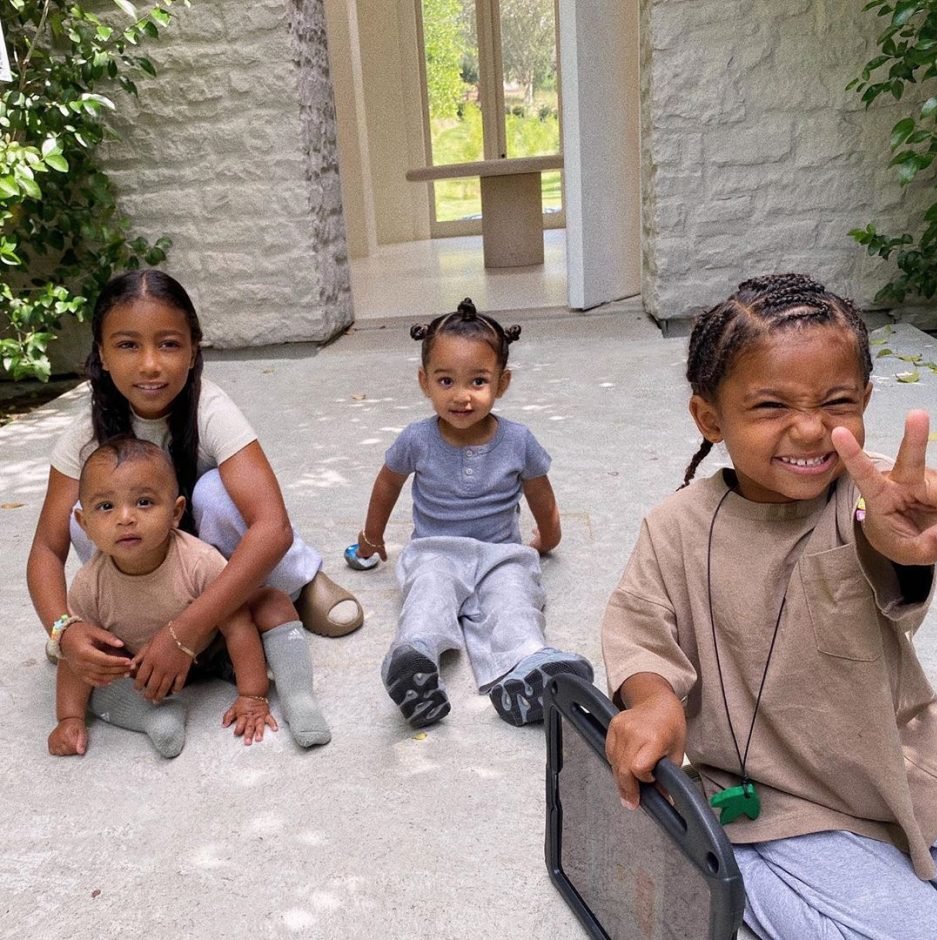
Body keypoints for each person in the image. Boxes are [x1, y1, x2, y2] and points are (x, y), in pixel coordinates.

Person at [601, 273, 937, 938]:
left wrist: (905, 548)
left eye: (837, 402)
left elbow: (885, 546)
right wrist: (653, 701)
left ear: (866, 400)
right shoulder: (675, 527)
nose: (810, 429)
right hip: (780, 803)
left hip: (905, 764)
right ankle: (729, 866)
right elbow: (639, 628)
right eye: (770, 406)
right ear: (710, 418)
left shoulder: (873, 498)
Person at [28, 269, 362, 706]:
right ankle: (123, 620)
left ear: (192, 351)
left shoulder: (210, 409)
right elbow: (46, 548)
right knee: (84, 515)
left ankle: (296, 585)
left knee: (215, 496)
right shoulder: (85, 433)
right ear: (103, 355)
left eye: (168, 344)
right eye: (128, 345)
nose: (150, 364)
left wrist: (185, 631)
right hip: (150, 561)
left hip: (213, 561)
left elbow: (272, 527)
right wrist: (64, 629)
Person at [347, 299, 593, 728]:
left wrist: (547, 538)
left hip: (500, 554)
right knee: (428, 595)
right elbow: (387, 484)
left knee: (515, 602)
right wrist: (372, 537)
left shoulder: (518, 441)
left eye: (478, 381)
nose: (461, 396)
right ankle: (414, 659)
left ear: (502, 382)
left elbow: (541, 495)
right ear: (424, 382)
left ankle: (528, 668)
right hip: (435, 550)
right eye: (446, 381)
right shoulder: (416, 439)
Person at [48, 437, 331, 757]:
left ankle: (298, 696)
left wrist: (253, 695)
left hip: (215, 650)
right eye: (105, 506)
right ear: (84, 523)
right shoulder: (89, 585)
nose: (125, 517)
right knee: (93, 667)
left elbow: (237, 624)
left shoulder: (198, 561)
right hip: (146, 674)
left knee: (274, 604)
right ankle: (154, 717)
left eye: (144, 502)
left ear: (176, 512)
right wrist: (69, 718)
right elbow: (74, 654)